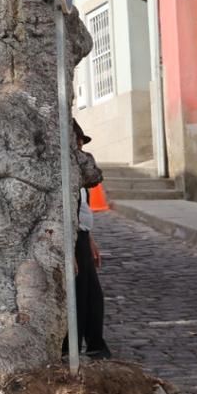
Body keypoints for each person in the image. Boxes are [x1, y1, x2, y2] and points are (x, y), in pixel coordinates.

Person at [66, 119, 112, 360]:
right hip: (71, 240)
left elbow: (83, 212)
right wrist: (69, 251)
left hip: (82, 237)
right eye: (78, 141)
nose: (81, 145)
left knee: (92, 295)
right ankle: (71, 347)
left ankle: (95, 343)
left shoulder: (82, 176)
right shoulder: (67, 176)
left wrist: (91, 240)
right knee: (78, 295)